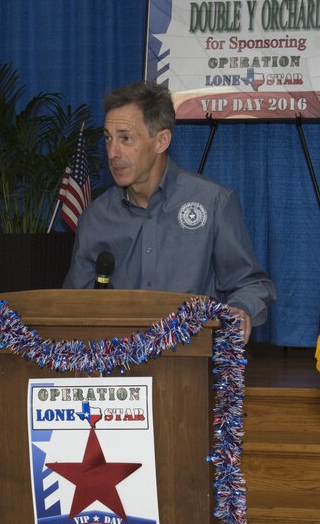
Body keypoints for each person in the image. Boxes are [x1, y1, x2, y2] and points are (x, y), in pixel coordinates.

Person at [63, 81, 276, 341]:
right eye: (108, 138)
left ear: (161, 141)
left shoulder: (213, 202)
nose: (112, 152)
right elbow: (73, 305)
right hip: (118, 363)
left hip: (191, 360)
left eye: (125, 138)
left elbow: (251, 284)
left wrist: (240, 309)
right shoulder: (96, 217)